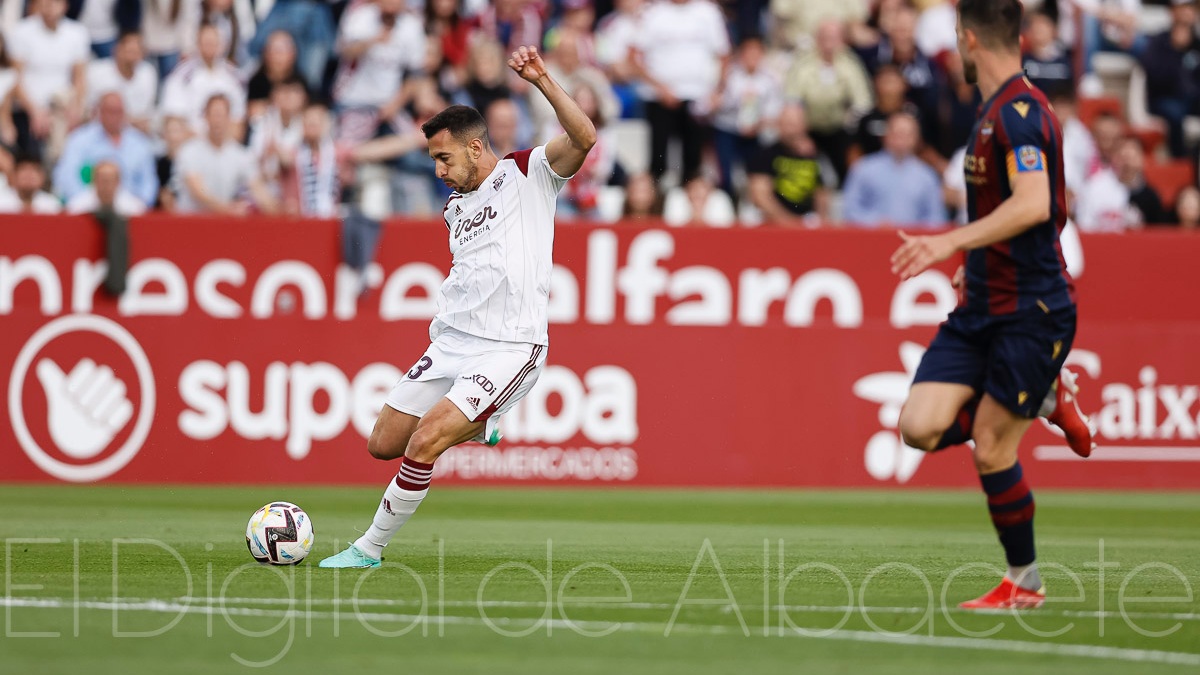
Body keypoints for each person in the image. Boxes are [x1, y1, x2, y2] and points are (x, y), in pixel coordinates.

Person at [318, 44, 596, 569]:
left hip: (509, 347)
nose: (438, 170)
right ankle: (484, 420)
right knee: (383, 443)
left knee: (424, 442)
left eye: (443, 158)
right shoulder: (454, 208)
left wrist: (542, 80)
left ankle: (368, 549)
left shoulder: (528, 173)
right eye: (433, 160)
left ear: (475, 148)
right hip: (451, 343)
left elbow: (585, 137)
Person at [889, 0, 1096, 611]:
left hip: (1032, 308)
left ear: (968, 38)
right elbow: (1004, 212)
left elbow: (1033, 204)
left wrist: (948, 240)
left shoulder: (1019, 114)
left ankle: (1023, 582)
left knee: (991, 445)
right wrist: (970, 263)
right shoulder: (994, 110)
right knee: (918, 427)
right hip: (982, 303)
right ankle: (1050, 395)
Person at [631, 0, 730, 184]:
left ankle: (691, 207)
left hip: (698, 97)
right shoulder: (653, 13)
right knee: (657, 160)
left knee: (693, 161)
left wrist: (718, 91)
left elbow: (723, 54)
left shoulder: (708, 12)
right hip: (659, 98)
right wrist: (660, 88)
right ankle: (654, 206)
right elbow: (634, 57)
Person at [172, 94, 278, 215]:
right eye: (214, 115)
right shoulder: (189, 151)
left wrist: (280, 209)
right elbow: (198, 191)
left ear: (229, 118)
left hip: (221, 223)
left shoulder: (240, 154)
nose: (218, 120)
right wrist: (228, 209)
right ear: (206, 117)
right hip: (190, 223)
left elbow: (259, 190)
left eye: (222, 115)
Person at [53, 91, 158, 206]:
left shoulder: (140, 143)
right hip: (89, 203)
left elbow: (149, 183)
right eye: (110, 111)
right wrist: (83, 202)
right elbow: (67, 176)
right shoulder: (79, 139)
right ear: (100, 112)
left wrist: (141, 204)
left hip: (128, 205)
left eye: (118, 112)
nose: (114, 116)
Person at [841, 111, 944, 228]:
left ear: (917, 138)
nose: (901, 139)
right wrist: (875, 223)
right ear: (886, 135)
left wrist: (915, 229)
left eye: (907, 134)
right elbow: (850, 210)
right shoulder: (863, 169)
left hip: (914, 241)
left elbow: (936, 218)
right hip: (870, 240)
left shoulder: (927, 176)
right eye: (897, 133)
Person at [746, 103, 829, 226]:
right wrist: (789, 223)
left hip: (808, 222)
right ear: (779, 124)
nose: (790, 129)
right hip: (775, 223)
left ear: (804, 126)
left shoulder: (814, 155)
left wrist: (821, 220)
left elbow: (822, 193)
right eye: (786, 123)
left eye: (794, 124)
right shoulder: (765, 154)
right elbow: (760, 196)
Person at [1139, 0, 1200, 158]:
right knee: (1175, 113)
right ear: (1173, 11)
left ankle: (1195, 158)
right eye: (1184, 8)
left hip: (1192, 100)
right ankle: (1179, 160)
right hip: (1163, 99)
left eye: (1191, 8)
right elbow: (1155, 75)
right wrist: (1176, 49)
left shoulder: (1197, 45)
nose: (1188, 12)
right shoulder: (1158, 41)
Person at [86, 31, 158, 134]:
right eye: (129, 51)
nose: (132, 57)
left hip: (138, 132)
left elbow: (147, 113)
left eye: (136, 52)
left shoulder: (148, 72)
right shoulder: (96, 71)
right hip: (103, 130)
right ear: (117, 50)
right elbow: (91, 111)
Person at [65, 159, 147, 216]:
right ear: (94, 181)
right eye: (102, 180)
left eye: (110, 180)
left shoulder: (135, 208)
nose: (106, 185)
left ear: (118, 182)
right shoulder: (76, 207)